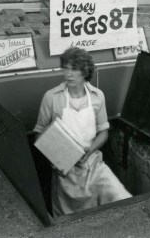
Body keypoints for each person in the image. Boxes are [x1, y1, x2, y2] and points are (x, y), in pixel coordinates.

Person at [34, 47, 131, 216]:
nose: (68, 74)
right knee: (72, 222)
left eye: (74, 69)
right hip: (65, 172)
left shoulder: (97, 96)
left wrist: (89, 151)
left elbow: (103, 132)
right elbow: (39, 134)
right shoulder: (51, 97)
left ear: (85, 71)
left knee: (121, 197)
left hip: (93, 164)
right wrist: (56, 159)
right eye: (65, 68)